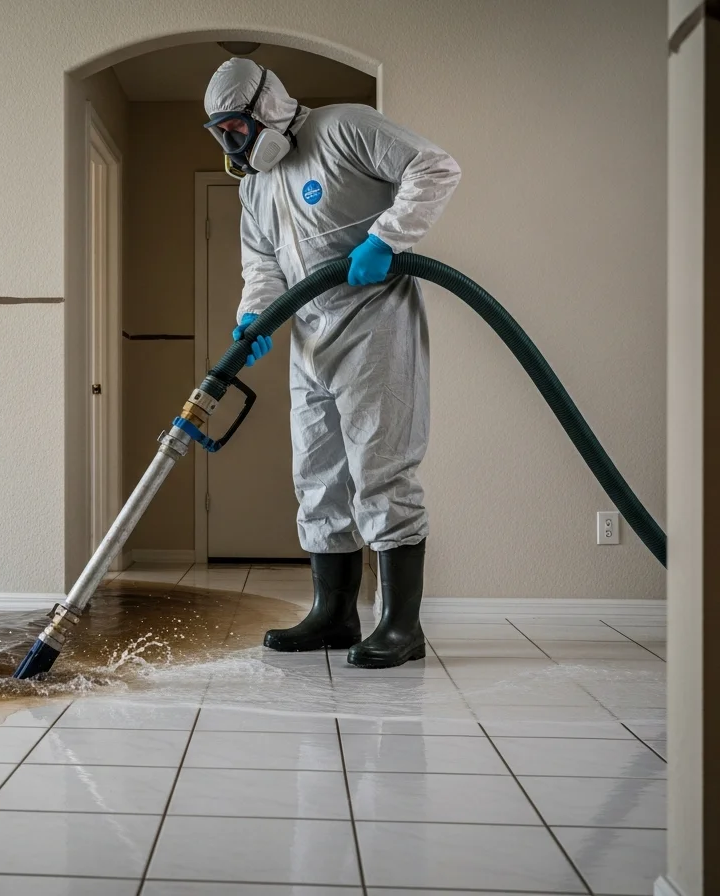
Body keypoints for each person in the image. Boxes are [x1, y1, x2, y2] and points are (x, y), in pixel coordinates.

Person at [203, 57, 461, 668]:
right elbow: (262, 265)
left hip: (376, 322)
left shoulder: (344, 128)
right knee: (317, 476)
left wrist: (387, 238)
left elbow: (435, 166)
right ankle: (334, 614)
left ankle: (401, 626)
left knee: (381, 469)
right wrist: (255, 316)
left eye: (236, 128)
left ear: (265, 107)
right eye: (221, 134)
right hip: (310, 338)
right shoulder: (255, 186)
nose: (232, 143)